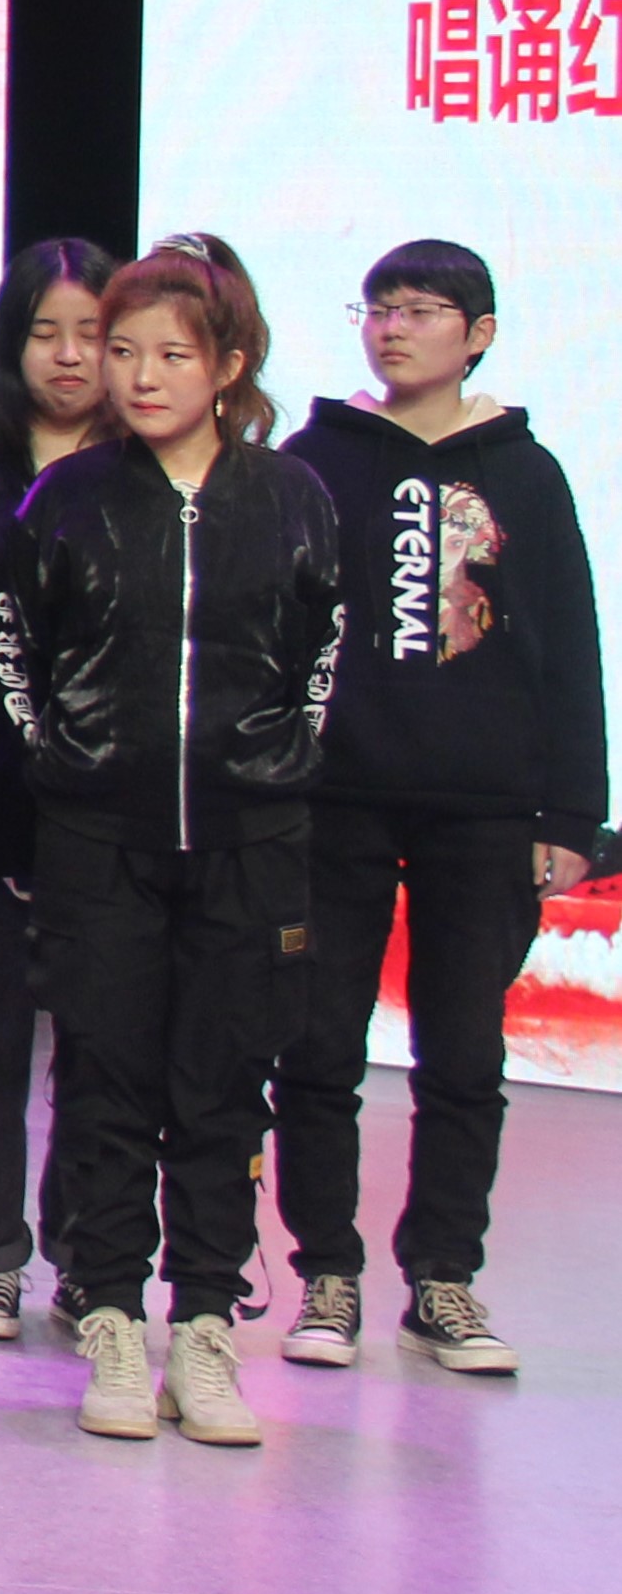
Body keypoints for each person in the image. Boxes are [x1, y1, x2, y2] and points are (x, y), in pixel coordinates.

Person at [2, 241, 342, 1447]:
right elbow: (18, 655)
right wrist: (66, 765)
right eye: (123, 351)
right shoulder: (67, 498)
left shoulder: (292, 496)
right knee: (104, 1079)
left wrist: (278, 767)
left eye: (172, 355)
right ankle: (106, 1311)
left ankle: (203, 1321)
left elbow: (321, 656)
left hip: (251, 839)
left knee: (223, 1086)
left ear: (229, 365)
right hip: (98, 839)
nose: (140, 376)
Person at [271, 240, 603, 1379]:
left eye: (420, 310)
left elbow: (570, 644)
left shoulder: (527, 471)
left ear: (479, 332)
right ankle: (326, 1272)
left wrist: (573, 814)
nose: (393, 328)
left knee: (462, 1052)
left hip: (485, 808)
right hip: (332, 799)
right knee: (318, 1043)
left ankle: (444, 1277)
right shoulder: (316, 458)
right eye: (378, 307)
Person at [0, 240, 116, 1339]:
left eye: (91, 333)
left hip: (111, 812)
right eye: (46, 332)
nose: (69, 355)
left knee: (100, 1050)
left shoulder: (149, 474)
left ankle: (89, 1256)